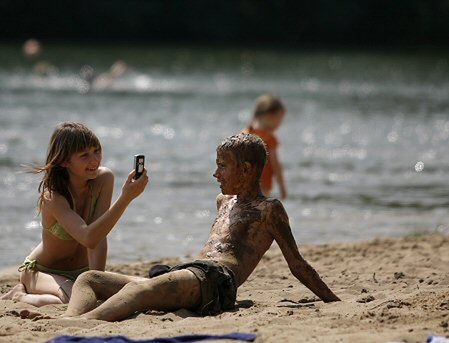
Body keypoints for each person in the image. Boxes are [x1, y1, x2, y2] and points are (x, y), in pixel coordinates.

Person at [28, 133, 339, 321]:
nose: (215, 174)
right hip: (193, 272)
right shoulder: (224, 202)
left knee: (139, 290)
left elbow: (296, 264)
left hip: (216, 283)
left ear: (246, 170)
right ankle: (70, 318)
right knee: (90, 278)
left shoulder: (269, 210)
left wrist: (334, 302)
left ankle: (80, 326)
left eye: (222, 166)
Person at [0, 122, 148, 307]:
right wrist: (126, 198)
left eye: (97, 151)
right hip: (42, 271)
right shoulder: (53, 196)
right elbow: (89, 238)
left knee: (144, 286)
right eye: (84, 155)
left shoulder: (103, 179)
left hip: (82, 272)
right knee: (76, 299)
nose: (94, 160)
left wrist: (98, 280)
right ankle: (18, 295)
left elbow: (99, 237)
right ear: (64, 161)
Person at [242, 94, 287, 199]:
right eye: (279, 120)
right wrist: (282, 186)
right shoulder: (269, 139)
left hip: (243, 183)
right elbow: (275, 164)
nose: (279, 124)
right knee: (258, 211)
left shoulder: (244, 134)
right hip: (263, 183)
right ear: (269, 117)